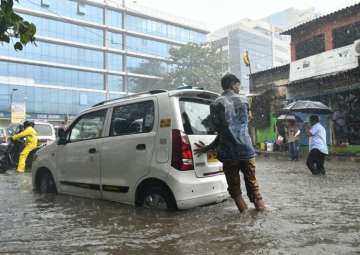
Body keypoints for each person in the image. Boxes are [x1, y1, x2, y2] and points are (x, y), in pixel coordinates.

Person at [194, 73, 265, 213]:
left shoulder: (216, 103)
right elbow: (245, 123)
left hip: (229, 153)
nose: (239, 88)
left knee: (235, 189)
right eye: (238, 85)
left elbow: (220, 131)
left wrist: (207, 148)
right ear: (233, 84)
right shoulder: (244, 100)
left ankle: (244, 217)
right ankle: (261, 212)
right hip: (247, 151)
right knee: (253, 185)